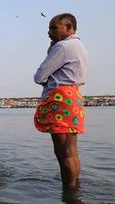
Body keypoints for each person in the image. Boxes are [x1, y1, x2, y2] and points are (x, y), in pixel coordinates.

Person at [33, 13, 88, 187]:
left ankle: (69, 194)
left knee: (63, 153)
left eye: (54, 28)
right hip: (74, 97)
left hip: (60, 98)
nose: (49, 32)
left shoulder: (62, 47)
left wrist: (49, 53)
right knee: (71, 151)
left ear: (69, 27)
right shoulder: (80, 45)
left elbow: (39, 76)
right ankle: (75, 189)